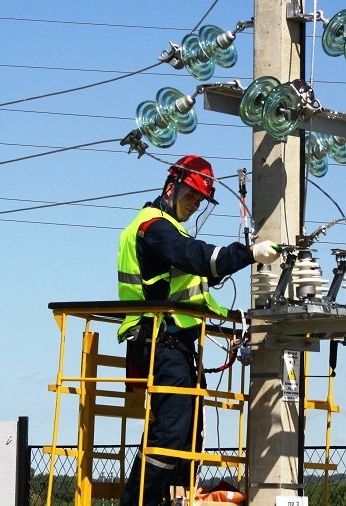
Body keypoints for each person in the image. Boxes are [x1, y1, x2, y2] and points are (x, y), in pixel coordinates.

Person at [117, 154, 280, 506]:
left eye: (199, 200)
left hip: (177, 345)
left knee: (189, 433)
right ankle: (140, 502)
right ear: (171, 187)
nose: (194, 205)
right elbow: (195, 256)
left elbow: (192, 296)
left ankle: (174, 500)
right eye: (191, 196)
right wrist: (248, 253)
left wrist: (236, 318)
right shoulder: (153, 227)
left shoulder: (171, 230)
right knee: (172, 431)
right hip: (159, 341)